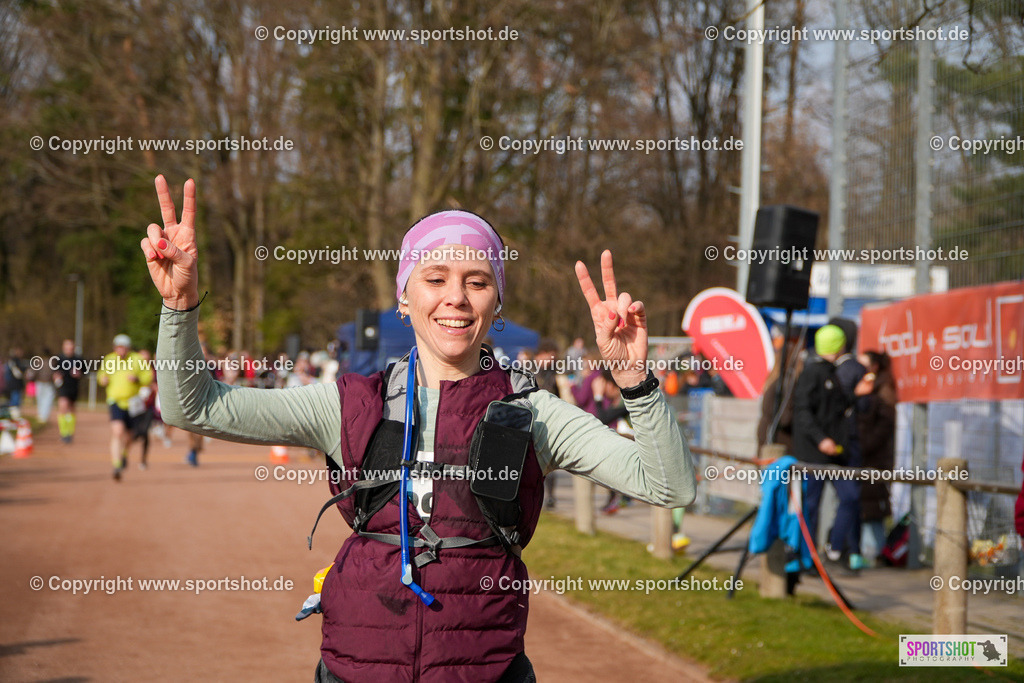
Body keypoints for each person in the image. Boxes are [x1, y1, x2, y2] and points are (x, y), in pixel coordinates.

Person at [143, 175, 696, 682]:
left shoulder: (533, 412)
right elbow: (194, 407)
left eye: (476, 281)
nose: (455, 297)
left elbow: (669, 485)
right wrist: (179, 307)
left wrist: (634, 379)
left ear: (496, 300)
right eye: (435, 278)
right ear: (404, 298)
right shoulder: (348, 404)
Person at [792, 324, 857, 574]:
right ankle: (805, 559)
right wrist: (821, 440)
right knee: (811, 505)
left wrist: (854, 395)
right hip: (814, 454)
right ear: (839, 345)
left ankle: (834, 546)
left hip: (836, 454)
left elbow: (835, 408)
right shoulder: (812, 373)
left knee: (850, 496)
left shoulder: (832, 373)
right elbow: (803, 411)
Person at [855, 350, 896, 565]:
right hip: (866, 458)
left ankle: (874, 552)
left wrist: (861, 445)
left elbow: (881, 429)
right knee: (864, 506)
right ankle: (867, 550)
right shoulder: (869, 390)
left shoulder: (882, 393)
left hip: (874, 460)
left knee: (872, 508)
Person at [98, 334, 153, 481]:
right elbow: (101, 374)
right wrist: (102, 379)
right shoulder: (109, 359)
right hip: (115, 401)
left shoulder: (137, 359)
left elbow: (148, 376)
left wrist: (138, 379)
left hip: (133, 403)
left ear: (128, 348)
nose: (120, 350)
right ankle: (116, 465)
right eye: (118, 347)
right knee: (117, 432)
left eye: (123, 347)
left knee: (130, 436)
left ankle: (124, 455)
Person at [55, 339, 85, 443]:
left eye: (71, 347)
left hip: (74, 387)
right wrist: (56, 376)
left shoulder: (79, 359)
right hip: (63, 387)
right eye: (67, 347)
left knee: (71, 409)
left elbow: (84, 372)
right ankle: (63, 433)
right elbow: (54, 371)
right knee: (63, 406)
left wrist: (79, 374)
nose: (69, 349)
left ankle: (70, 433)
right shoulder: (59, 359)